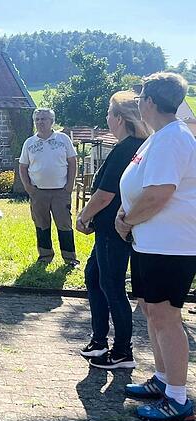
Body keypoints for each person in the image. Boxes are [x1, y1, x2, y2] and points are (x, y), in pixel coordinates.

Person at [116, 72, 196, 421]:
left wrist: (127, 219)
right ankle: (163, 380)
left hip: (170, 245)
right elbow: (142, 186)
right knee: (151, 311)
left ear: (149, 102)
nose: (138, 103)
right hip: (152, 243)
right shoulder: (159, 137)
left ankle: (178, 398)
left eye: (140, 97)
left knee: (166, 317)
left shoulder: (172, 138)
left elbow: (159, 192)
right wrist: (126, 212)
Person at [75, 91, 151, 369]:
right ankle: (98, 341)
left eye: (109, 113)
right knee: (94, 276)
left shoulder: (125, 148)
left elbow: (105, 194)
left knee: (112, 286)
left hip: (113, 229)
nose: (106, 118)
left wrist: (84, 216)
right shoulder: (136, 145)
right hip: (110, 228)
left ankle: (122, 352)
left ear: (118, 118)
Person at [18, 108, 79, 267]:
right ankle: (45, 256)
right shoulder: (29, 143)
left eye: (44, 119)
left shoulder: (63, 139)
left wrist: (70, 185)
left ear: (52, 121)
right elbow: (23, 166)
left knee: (64, 225)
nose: (40, 122)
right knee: (41, 224)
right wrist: (28, 188)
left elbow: (72, 162)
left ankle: (70, 258)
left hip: (61, 191)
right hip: (38, 192)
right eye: (37, 119)